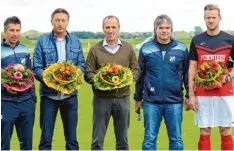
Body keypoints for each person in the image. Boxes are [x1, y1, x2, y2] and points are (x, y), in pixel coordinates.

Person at [134, 14, 189, 150]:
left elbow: (187, 74)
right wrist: (137, 98)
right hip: (151, 102)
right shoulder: (146, 48)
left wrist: (189, 95)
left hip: (175, 101)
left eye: (167, 28)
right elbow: (140, 76)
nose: (164, 31)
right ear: (155, 29)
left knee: (176, 139)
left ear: (171, 29)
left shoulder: (181, 49)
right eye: (161, 28)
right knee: (149, 139)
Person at [33, 8, 85, 150]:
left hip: (70, 97)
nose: (60, 23)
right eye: (57, 20)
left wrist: (73, 80)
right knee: (45, 140)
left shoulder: (76, 42)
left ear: (68, 22)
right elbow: (37, 67)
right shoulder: (42, 42)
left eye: (63, 20)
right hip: (49, 97)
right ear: (52, 21)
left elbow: (82, 66)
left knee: (72, 140)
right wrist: (51, 81)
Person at [85, 15, 140, 150]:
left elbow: (136, 69)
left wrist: (126, 80)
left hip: (123, 99)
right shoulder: (95, 50)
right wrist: (102, 82)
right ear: (103, 29)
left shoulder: (128, 48)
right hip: (101, 99)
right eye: (107, 27)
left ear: (119, 29)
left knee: (122, 140)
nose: (110, 30)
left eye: (113, 27)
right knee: (97, 140)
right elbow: (88, 73)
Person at [188, 4, 234, 150]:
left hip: (224, 93)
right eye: (208, 18)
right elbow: (192, 68)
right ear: (204, 19)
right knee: (205, 131)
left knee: (225, 130)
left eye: (214, 17)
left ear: (219, 18)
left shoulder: (230, 40)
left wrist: (227, 77)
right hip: (203, 94)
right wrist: (191, 94)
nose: (211, 20)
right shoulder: (196, 40)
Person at [1, 16, 36, 150]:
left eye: (17, 30)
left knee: (27, 144)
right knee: (4, 144)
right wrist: (4, 87)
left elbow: (30, 74)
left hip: (26, 101)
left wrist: (33, 99)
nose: (15, 34)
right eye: (12, 30)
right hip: (6, 102)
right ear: (5, 31)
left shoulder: (25, 49)